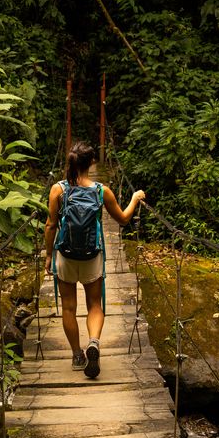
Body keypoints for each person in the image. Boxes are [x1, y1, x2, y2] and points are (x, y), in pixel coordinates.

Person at [44, 141, 145, 379]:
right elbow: (123, 219)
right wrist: (134, 198)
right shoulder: (102, 191)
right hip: (92, 255)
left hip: (66, 255)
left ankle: (77, 355)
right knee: (94, 305)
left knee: (69, 307)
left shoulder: (58, 190)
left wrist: (49, 255)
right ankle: (94, 342)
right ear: (91, 162)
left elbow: (50, 225)